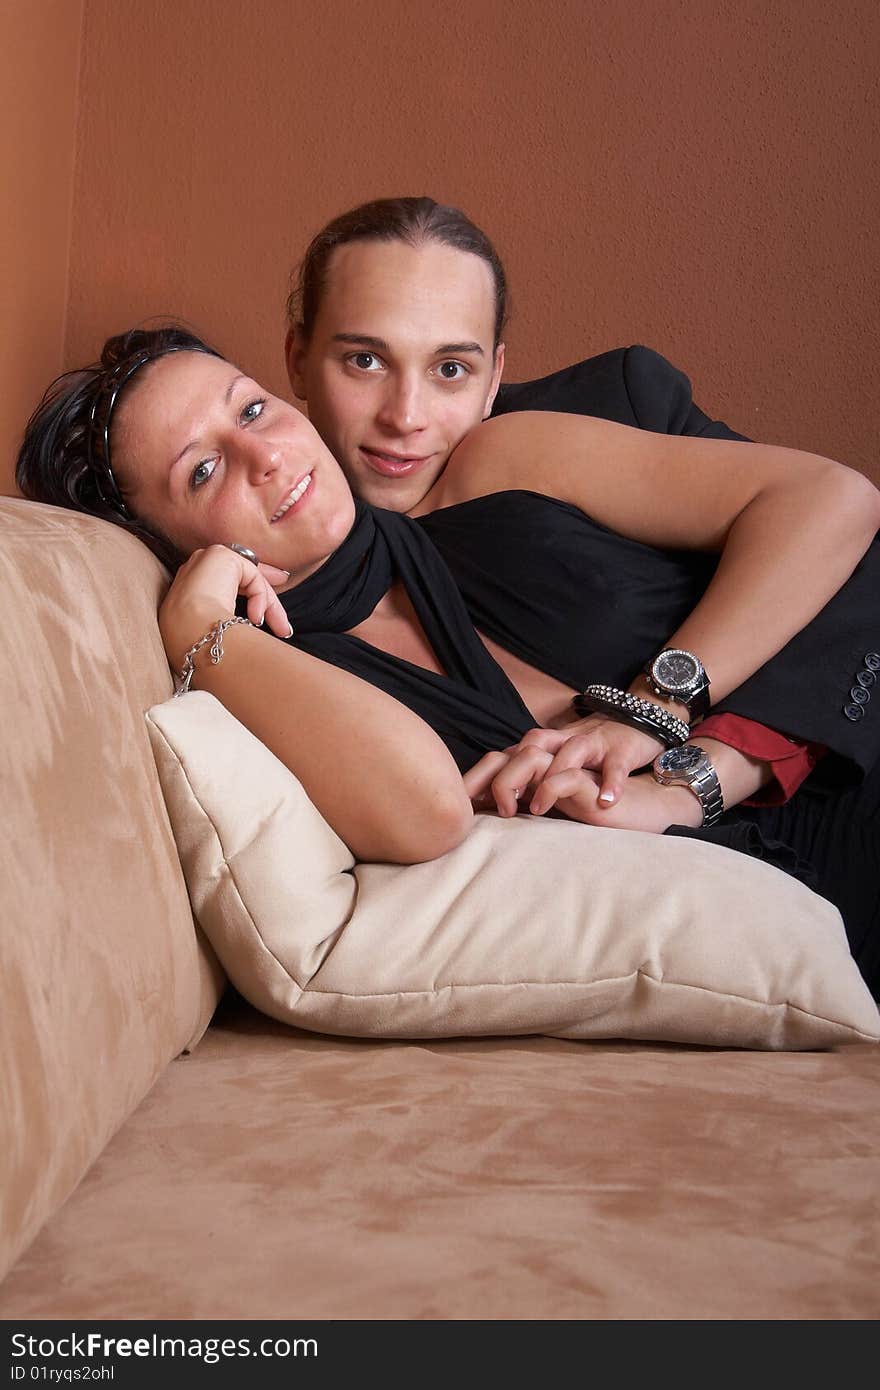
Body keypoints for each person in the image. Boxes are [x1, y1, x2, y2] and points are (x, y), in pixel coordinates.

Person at [15, 325, 880, 1000]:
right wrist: (206, 630)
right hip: (768, 925)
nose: (267, 455)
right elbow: (426, 812)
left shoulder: (495, 464)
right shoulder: (279, 680)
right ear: (172, 547)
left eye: (250, 410)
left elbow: (830, 501)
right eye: (204, 471)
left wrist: (655, 719)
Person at [284, 196, 749, 522]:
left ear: (493, 380)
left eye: (450, 370)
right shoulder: (249, 569)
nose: (405, 418)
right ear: (298, 361)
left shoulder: (629, 407)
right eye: (366, 361)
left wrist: (679, 667)